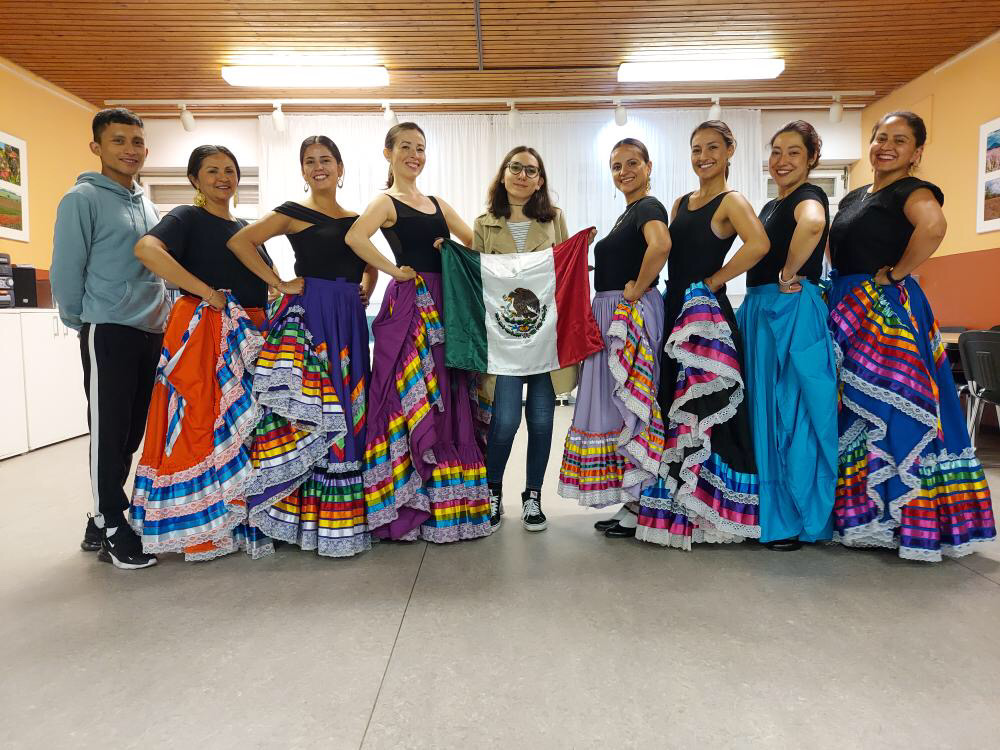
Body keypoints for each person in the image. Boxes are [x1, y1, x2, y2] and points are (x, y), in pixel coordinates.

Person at [826, 111, 995, 560]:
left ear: (916, 152)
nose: (886, 146)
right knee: (856, 411)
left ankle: (905, 516)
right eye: (880, 137)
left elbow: (934, 227)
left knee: (894, 406)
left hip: (884, 310)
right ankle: (864, 515)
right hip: (847, 307)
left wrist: (896, 274)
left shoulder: (912, 190)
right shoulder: (857, 195)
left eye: (899, 140)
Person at [228, 135, 377, 558]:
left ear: (341, 167)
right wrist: (277, 283)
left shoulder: (358, 218)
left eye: (326, 159)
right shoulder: (292, 212)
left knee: (350, 403)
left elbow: (371, 265)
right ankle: (304, 515)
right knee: (318, 404)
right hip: (312, 314)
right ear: (303, 170)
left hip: (348, 317)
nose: (318, 167)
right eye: (310, 161)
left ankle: (342, 520)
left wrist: (365, 288)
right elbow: (241, 242)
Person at [346, 121, 492, 542]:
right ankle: (408, 501)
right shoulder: (385, 201)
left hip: (446, 305)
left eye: (421, 148)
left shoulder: (438, 203)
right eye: (406, 146)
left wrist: (451, 250)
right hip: (411, 304)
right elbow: (356, 237)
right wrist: (394, 271)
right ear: (388, 152)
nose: (414, 154)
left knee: (446, 391)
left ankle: (445, 504)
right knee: (410, 391)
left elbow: (475, 244)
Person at [130, 145, 276, 561]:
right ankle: (200, 528)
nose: (223, 177)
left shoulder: (246, 226)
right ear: (195, 179)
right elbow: (146, 250)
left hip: (246, 334)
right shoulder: (187, 217)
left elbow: (265, 280)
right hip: (204, 330)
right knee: (200, 420)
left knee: (241, 429)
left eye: (230, 170)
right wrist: (204, 291)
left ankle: (236, 517)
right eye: (212, 171)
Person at [635, 120, 769, 549]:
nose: (703, 156)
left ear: (730, 151)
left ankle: (716, 511)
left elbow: (759, 244)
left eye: (712, 147)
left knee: (711, 408)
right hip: (677, 309)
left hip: (706, 316)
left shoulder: (732, 201)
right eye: (696, 149)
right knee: (673, 403)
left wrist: (716, 280)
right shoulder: (680, 203)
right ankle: (677, 505)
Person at [51, 107, 169, 570]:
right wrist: (84, 320)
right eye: (119, 141)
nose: (130, 150)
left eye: (137, 142)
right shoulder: (80, 199)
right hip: (109, 328)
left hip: (150, 328)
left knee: (132, 430)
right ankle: (113, 523)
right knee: (108, 429)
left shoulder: (148, 202)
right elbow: (65, 271)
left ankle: (98, 518)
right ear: (97, 147)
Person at [558, 138, 670, 537]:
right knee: (619, 406)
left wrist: (637, 288)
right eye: (616, 166)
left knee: (632, 401)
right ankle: (633, 499)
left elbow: (661, 246)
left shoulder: (649, 207)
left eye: (632, 163)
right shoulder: (629, 213)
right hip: (613, 314)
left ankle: (643, 503)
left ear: (648, 166)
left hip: (629, 315)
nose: (624, 171)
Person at [736, 120, 837, 551]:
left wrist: (789, 272)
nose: (782, 160)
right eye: (776, 151)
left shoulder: (808, 196)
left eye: (794, 152)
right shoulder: (771, 205)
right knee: (763, 411)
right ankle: (768, 512)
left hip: (788, 308)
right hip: (763, 308)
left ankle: (794, 517)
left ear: (812, 158)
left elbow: (813, 224)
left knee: (788, 412)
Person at [472, 146, 571, 532]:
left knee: (543, 421)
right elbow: (477, 280)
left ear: (540, 180)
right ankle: (492, 490)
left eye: (531, 170)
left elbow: (563, 269)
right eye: (516, 167)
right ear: (503, 174)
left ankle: (533, 496)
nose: (523, 175)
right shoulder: (484, 223)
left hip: (545, 339)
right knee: (506, 420)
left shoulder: (554, 219)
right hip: (505, 343)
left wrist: (581, 259)